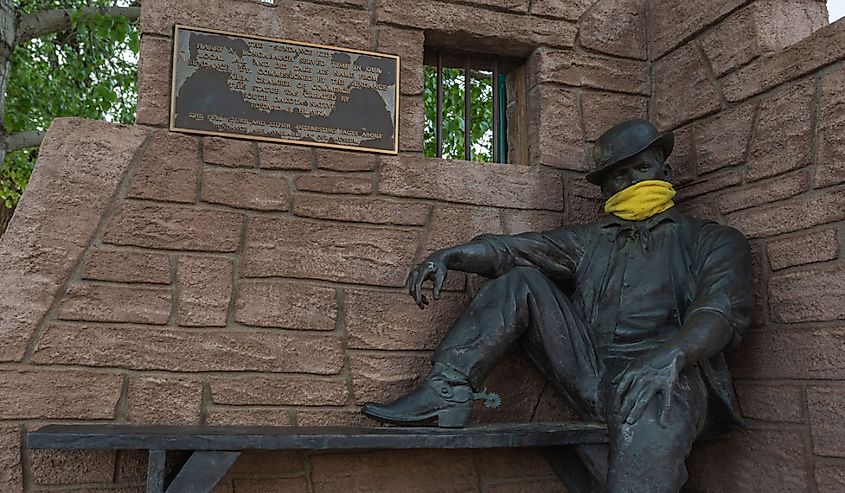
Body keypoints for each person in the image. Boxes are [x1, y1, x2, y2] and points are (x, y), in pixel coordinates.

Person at [361, 119, 755, 492]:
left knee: (649, 401)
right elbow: (518, 251)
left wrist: (671, 356)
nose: (634, 180)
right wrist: (453, 255)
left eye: (642, 168)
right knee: (520, 279)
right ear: (605, 191)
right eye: (620, 175)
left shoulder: (714, 241)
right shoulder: (590, 241)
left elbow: (718, 311)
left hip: (673, 376)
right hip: (595, 374)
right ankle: (447, 389)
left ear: (665, 172)